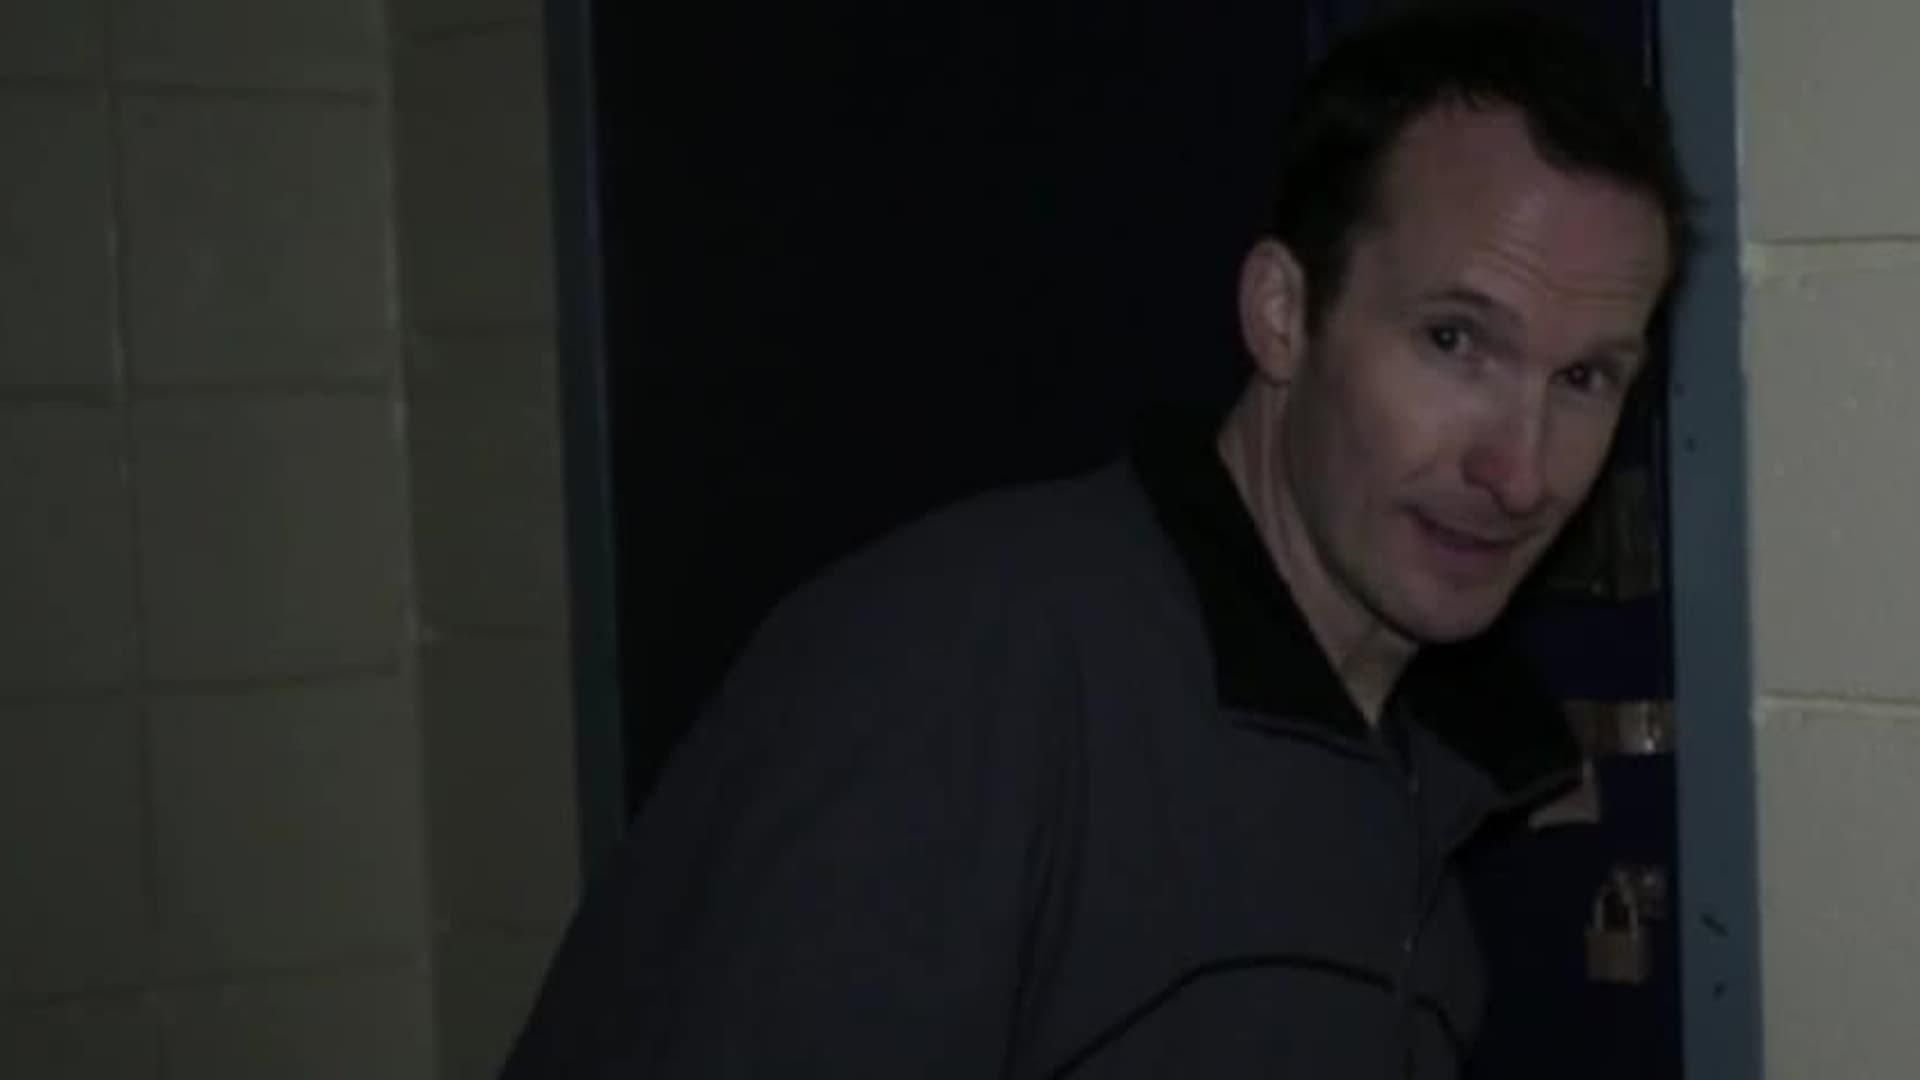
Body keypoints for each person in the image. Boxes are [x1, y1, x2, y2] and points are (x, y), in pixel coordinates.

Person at [504, 5, 1691, 1076]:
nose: (1518, 471)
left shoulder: (1428, 776)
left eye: (1584, 378)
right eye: (1454, 343)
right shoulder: (956, 675)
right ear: (1283, 315)